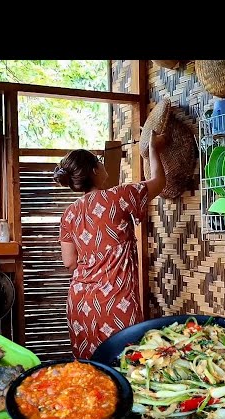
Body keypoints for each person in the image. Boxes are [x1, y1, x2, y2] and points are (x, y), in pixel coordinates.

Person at [54, 131, 168, 359]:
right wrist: (154, 149)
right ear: (95, 170)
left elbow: (70, 262)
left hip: (81, 304)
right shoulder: (120, 196)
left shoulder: (69, 214)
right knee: (125, 361)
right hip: (116, 299)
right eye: (99, 160)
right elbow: (159, 182)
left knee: (91, 369)